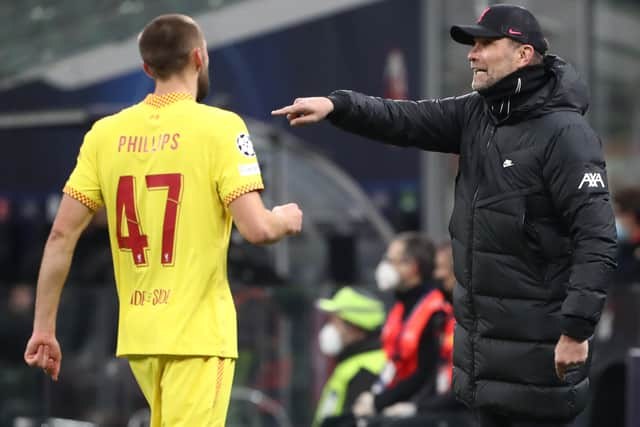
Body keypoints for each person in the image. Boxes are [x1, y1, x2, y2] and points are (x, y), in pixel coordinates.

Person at [272, 4, 617, 425]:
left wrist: (576, 330)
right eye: (472, 44)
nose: (473, 53)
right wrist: (337, 106)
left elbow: (597, 237)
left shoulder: (565, 134)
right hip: (485, 372)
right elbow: (402, 117)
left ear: (524, 54)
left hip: (544, 364)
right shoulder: (477, 113)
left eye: (486, 44)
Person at [24, 14, 302, 427]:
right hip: (198, 335)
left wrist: (44, 327)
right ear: (199, 57)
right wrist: (284, 218)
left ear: (146, 67)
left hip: (140, 336)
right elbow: (257, 229)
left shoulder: (105, 135)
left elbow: (62, 235)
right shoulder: (220, 128)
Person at [352, 232, 456, 421]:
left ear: (412, 266)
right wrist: (376, 398)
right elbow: (395, 362)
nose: (438, 275)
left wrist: (410, 406)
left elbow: (427, 371)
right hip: (415, 400)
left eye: (392, 260)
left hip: (437, 408)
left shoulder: (437, 310)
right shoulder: (401, 307)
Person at [313, 286, 386, 427]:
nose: (330, 328)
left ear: (354, 327)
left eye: (335, 321)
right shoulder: (353, 362)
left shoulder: (367, 369)